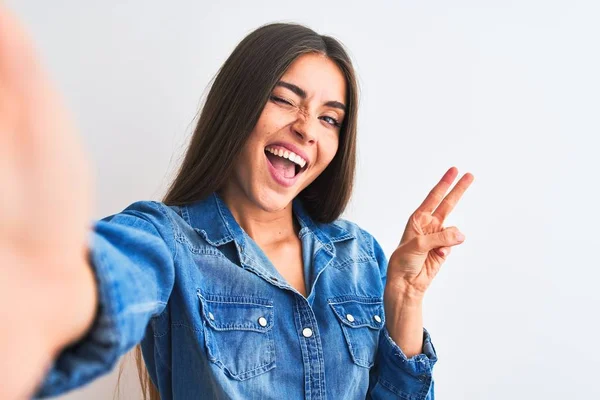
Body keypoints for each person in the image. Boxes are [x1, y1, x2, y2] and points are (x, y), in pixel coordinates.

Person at [0, 4, 474, 400]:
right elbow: (103, 282)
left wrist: (406, 300)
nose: (308, 128)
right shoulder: (166, 241)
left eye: (331, 119)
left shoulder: (359, 254)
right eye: (285, 100)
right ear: (237, 107)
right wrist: (43, 286)